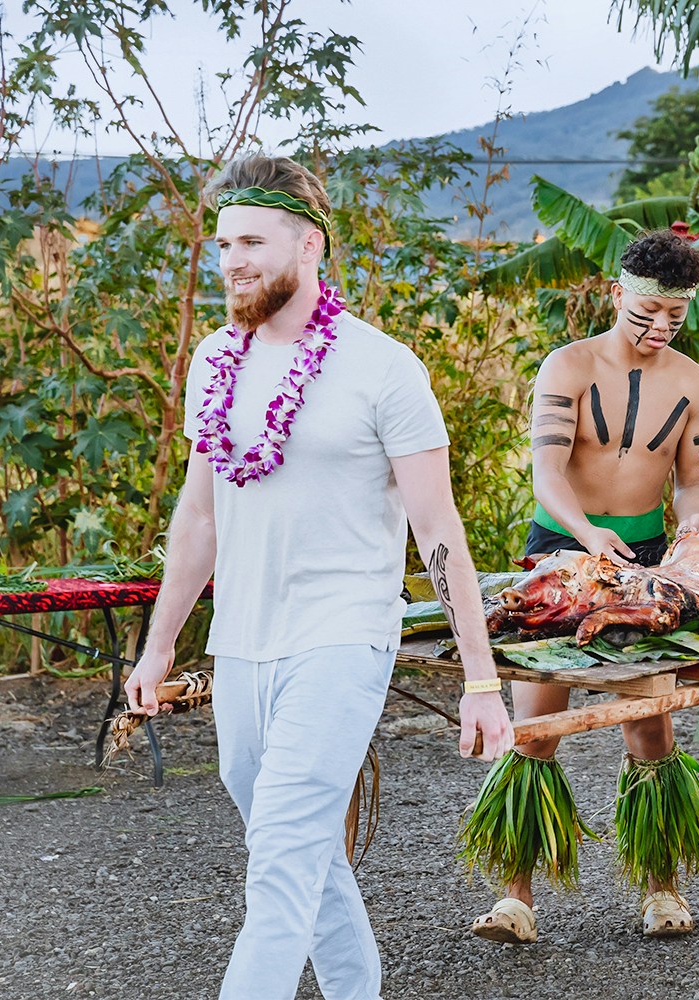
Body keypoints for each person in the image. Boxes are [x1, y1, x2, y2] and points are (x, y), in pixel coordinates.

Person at [124, 154, 514, 1000]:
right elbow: (199, 518)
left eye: (251, 242)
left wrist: (480, 679)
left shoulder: (383, 368)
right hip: (243, 643)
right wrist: (158, 648)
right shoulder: (213, 362)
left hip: (342, 636)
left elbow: (437, 529)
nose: (232, 262)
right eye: (223, 244)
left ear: (310, 246)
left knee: (281, 861)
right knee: (301, 851)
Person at [464, 229, 699, 944]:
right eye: (646, 312)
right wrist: (585, 536)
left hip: (645, 560)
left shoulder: (695, 383)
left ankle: (662, 889)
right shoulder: (568, 366)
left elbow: (694, 482)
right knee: (536, 726)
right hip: (560, 554)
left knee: (650, 724)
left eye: (674, 316)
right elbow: (547, 471)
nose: (659, 328)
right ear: (616, 294)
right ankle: (515, 899)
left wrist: (692, 527)